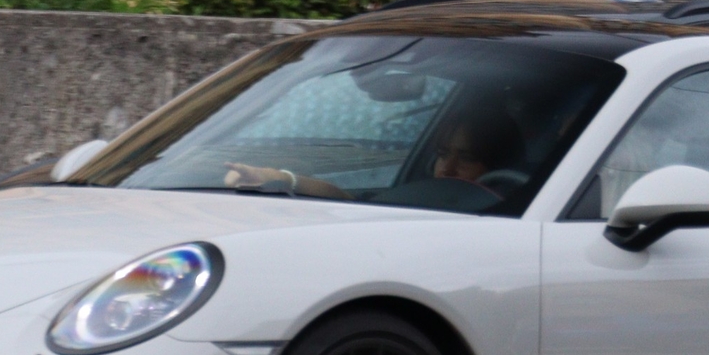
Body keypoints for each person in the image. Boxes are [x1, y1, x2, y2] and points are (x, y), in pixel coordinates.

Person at [224, 100, 525, 199]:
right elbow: (346, 202)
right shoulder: (421, 200)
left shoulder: (506, 215)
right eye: (444, 153)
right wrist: (275, 177)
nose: (447, 168)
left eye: (468, 157)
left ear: (498, 164)